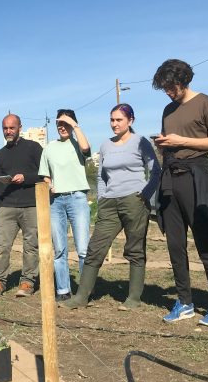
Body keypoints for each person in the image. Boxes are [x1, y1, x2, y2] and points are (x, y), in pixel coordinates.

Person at [151, 59, 208, 326]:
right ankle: (184, 301)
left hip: (196, 176)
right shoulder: (168, 109)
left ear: (184, 80)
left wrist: (181, 141)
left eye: (171, 87)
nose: (168, 92)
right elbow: (172, 142)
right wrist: (164, 144)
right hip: (170, 177)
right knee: (175, 244)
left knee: (204, 241)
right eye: (164, 88)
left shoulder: (206, 102)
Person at [61, 103, 160, 310]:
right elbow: (101, 175)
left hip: (134, 201)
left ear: (130, 121)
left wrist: (145, 195)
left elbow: (155, 171)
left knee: (135, 249)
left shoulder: (140, 142)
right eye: (112, 120)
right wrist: (102, 197)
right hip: (109, 203)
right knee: (95, 248)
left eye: (119, 120)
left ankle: (134, 299)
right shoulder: (106, 144)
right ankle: (81, 297)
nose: (114, 124)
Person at [38, 109, 91, 301]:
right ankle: (63, 290)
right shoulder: (49, 148)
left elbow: (86, 149)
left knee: (83, 248)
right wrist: (49, 183)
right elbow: (45, 174)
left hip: (77, 198)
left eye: (65, 123)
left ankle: (84, 291)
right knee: (59, 249)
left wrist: (74, 125)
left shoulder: (78, 143)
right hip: (56, 202)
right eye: (59, 124)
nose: (62, 127)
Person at [0, 114, 43, 298]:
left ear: (20, 127)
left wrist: (25, 177)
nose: (8, 131)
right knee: (0, 247)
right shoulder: (0, 155)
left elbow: (44, 174)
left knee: (31, 246)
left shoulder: (34, 148)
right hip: (7, 207)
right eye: (5, 128)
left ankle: (28, 282)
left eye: (12, 128)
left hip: (31, 206)